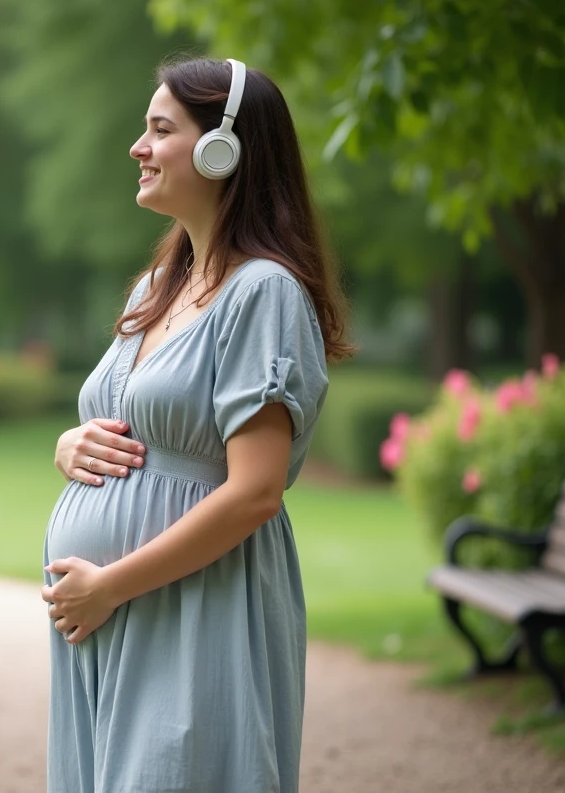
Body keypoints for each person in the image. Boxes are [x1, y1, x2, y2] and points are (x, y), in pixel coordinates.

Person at [39, 56, 353, 792]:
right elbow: (135, 424)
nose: (138, 148)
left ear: (221, 150)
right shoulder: (158, 287)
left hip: (196, 605)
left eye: (160, 130)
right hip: (110, 616)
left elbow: (255, 492)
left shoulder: (263, 293)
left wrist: (111, 584)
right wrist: (70, 444)